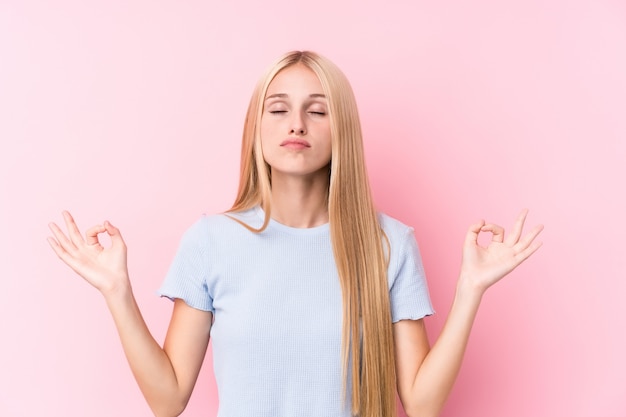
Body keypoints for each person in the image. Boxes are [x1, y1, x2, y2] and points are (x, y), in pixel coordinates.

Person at [47, 50, 543, 417]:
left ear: (341, 128)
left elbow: (421, 402)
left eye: (318, 110)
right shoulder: (211, 241)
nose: (297, 124)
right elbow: (167, 397)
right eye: (279, 108)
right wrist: (117, 291)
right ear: (257, 128)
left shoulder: (389, 244)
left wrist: (470, 289)